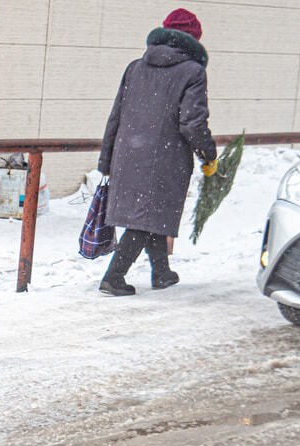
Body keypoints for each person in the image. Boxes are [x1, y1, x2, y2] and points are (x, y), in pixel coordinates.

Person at [97, 8, 218, 296]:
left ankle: (161, 273)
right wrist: (209, 155)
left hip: (129, 155)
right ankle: (114, 277)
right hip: (166, 158)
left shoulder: (135, 67)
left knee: (153, 214)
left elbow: (116, 116)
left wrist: (106, 159)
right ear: (193, 39)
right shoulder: (193, 72)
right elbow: (193, 123)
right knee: (145, 218)